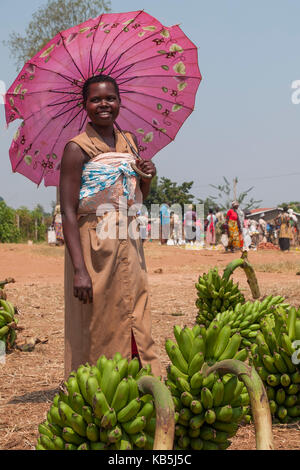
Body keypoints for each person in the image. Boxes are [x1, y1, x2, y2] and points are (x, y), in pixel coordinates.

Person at [60, 74, 162, 379]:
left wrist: (146, 176)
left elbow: (135, 197)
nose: (104, 105)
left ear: (119, 102)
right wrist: (80, 269)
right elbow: (67, 210)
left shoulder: (128, 142)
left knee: (135, 308)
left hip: (128, 239)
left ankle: (139, 378)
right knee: (98, 315)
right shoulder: (76, 149)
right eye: (96, 99)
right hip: (94, 242)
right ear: (85, 105)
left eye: (110, 98)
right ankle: (97, 384)